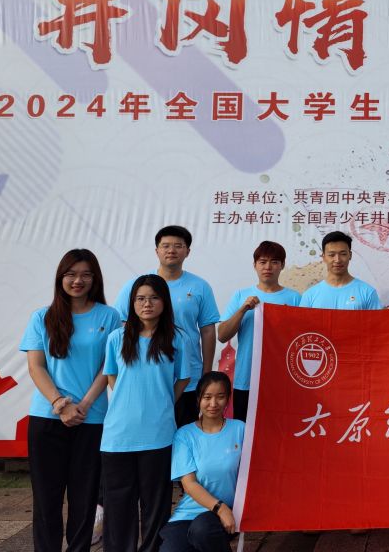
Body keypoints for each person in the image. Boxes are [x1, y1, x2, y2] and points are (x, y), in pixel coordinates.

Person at [20, 249, 122, 552]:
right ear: (60, 277)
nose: (78, 281)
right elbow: (36, 366)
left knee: (84, 498)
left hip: (91, 419)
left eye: (86, 275)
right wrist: (60, 404)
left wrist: (84, 405)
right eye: (71, 274)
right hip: (47, 419)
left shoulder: (109, 316)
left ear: (95, 279)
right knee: (46, 500)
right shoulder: (42, 317)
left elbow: (108, 366)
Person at [102, 274, 190, 552]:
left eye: (153, 298)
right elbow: (112, 378)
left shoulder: (177, 338)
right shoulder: (117, 338)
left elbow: (183, 378)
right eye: (140, 298)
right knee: (118, 504)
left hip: (158, 434)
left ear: (164, 302)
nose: (147, 304)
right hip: (118, 435)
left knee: (156, 504)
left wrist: (162, 402)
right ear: (132, 303)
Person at [117, 226, 219, 427]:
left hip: (188, 378)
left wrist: (206, 374)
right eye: (165, 246)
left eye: (178, 246)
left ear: (187, 251)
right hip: (146, 377)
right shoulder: (137, 286)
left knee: (183, 433)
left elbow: (207, 331)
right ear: (157, 251)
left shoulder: (200, 286)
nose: (171, 250)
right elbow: (123, 326)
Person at [159, 371, 245, 552]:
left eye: (220, 397)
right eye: (207, 397)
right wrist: (220, 508)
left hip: (226, 514)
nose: (213, 403)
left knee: (202, 531)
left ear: (228, 399)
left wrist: (225, 510)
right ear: (198, 399)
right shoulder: (184, 435)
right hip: (189, 514)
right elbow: (189, 484)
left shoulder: (240, 429)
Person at [218, 241, 301, 421]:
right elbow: (222, 335)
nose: (268, 267)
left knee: (278, 431)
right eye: (262, 262)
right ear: (254, 265)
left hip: (281, 379)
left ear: (282, 265)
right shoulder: (241, 296)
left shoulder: (295, 298)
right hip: (246, 378)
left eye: (274, 262)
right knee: (245, 431)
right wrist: (242, 310)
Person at [299, 231, 381, 310]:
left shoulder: (367, 293)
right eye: (331, 255)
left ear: (350, 255)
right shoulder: (310, 295)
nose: (337, 260)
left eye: (343, 254)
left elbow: (376, 320)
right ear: (323, 257)